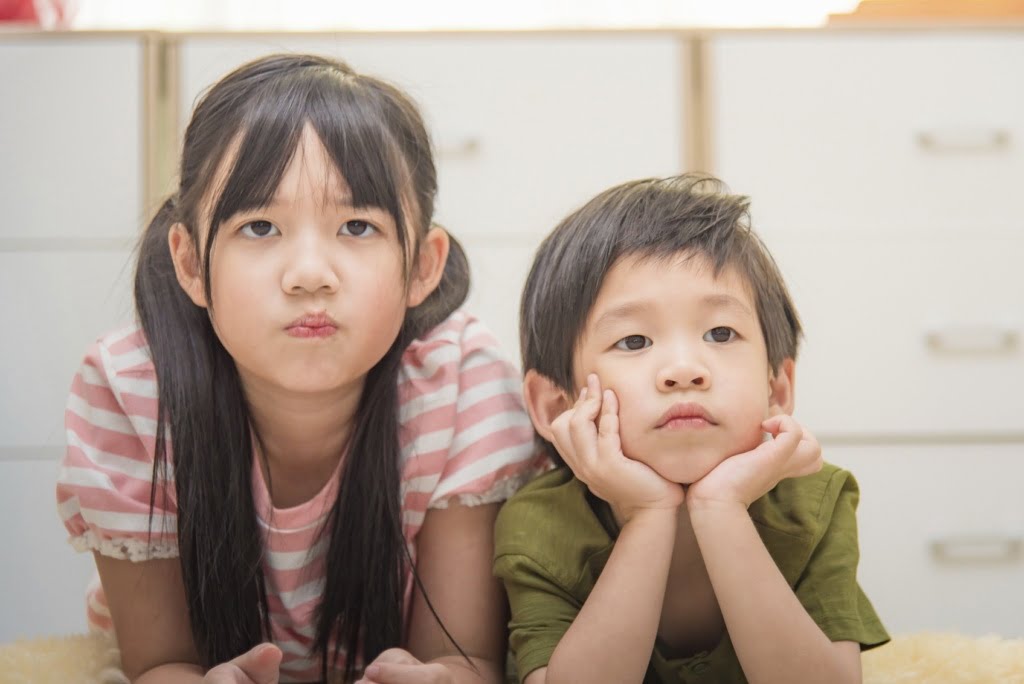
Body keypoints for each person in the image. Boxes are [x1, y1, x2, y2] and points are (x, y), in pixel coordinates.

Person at [56, 53, 548, 684]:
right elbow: (159, 662)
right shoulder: (130, 390)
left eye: (357, 226)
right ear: (189, 263)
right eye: (260, 227)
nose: (310, 274)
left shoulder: (461, 384)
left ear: (423, 266)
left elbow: (462, 658)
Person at [494, 174, 889, 683]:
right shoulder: (537, 526)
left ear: (779, 389)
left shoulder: (815, 503)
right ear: (555, 406)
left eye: (720, 333)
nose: (684, 369)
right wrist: (648, 514)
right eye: (634, 341)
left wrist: (720, 508)